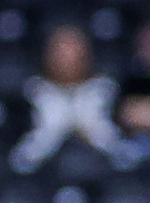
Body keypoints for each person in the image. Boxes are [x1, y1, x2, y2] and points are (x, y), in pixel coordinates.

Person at [13, 24, 126, 172]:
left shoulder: (106, 90)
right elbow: (20, 159)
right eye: (60, 51)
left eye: (74, 51)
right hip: (43, 174)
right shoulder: (31, 93)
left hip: (101, 171)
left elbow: (124, 152)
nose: (68, 58)